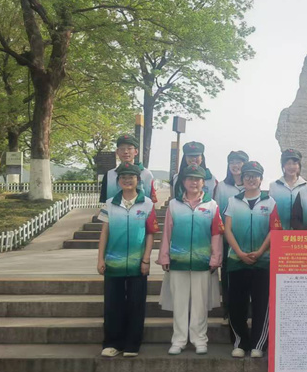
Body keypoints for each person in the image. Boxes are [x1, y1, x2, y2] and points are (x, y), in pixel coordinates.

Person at [157, 164, 224, 356]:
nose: (193, 182)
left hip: (203, 262)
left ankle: (199, 339)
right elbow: (167, 232)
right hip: (178, 261)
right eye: (189, 178)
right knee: (179, 303)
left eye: (197, 179)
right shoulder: (174, 205)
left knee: (200, 303)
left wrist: (215, 258)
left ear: (203, 182)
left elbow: (216, 234)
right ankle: (178, 340)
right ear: (183, 182)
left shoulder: (212, 205)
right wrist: (164, 256)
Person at [96, 162, 159, 358]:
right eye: (123, 177)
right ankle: (112, 343)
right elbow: (104, 232)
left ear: (138, 180)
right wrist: (100, 259)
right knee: (112, 303)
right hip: (113, 261)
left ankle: (132, 344)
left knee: (136, 303)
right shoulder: (110, 203)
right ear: (118, 181)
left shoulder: (147, 204)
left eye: (131, 177)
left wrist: (146, 259)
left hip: (137, 263)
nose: (127, 180)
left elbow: (150, 234)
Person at [224, 161, 282, 358]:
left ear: (261, 179)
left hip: (263, 260)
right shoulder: (233, 201)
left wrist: (260, 251)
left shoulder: (270, 202)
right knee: (236, 304)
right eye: (247, 175)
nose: (251, 179)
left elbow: (274, 230)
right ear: (242, 178)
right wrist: (239, 252)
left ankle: (258, 343)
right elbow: (227, 230)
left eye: (255, 176)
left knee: (261, 304)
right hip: (236, 260)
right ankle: (240, 342)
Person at [214, 150, 249, 322]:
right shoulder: (222, 186)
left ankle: (245, 310)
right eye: (232, 162)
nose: (236, 166)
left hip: (249, 239)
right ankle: (228, 310)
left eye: (239, 162)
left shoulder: (251, 185)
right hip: (228, 239)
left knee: (247, 275)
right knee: (228, 276)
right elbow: (217, 213)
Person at [99, 134, 157, 203]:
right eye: (122, 149)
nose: (126, 152)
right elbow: (105, 203)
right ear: (117, 152)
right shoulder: (109, 175)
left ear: (136, 151)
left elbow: (151, 202)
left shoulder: (146, 174)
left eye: (129, 148)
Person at [269, 148, 307, 229]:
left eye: (294, 163)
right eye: (288, 163)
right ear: (283, 165)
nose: (291, 167)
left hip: (300, 233)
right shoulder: (274, 186)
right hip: (279, 232)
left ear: (299, 165)